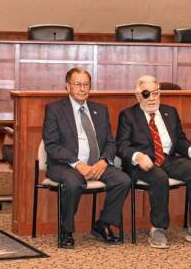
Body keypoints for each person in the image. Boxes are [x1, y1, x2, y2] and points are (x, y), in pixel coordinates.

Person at [116, 75, 191, 249]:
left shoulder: (170, 112)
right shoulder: (128, 115)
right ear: (138, 96)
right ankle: (158, 228)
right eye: (146, 94)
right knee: (159, 177)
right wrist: (137, 156)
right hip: (142, 163)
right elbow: (121, 146)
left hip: (168, 158)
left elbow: (180, 140)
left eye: (155, 93)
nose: (152, 98)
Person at [42, 67, 131, 249]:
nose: (83, 89)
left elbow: (110, 143)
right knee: (74, 183)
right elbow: (51, 145)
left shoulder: (100, 109)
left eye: (86, 84)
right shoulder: (55, 110)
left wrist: (103, 161)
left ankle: (103, 224)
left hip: (97, 164)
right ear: (67, 87)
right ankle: (66, 230)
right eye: (78, 84)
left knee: (123, 180)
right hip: (65, 165)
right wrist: (77, 164)